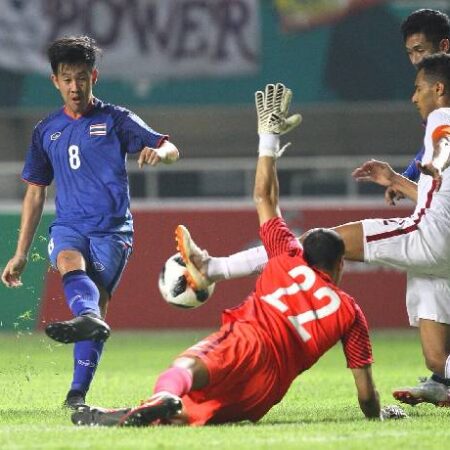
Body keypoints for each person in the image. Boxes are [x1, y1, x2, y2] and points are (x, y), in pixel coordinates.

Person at [71, 83, 405, 427]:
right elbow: (366, 393)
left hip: (246, 340)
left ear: (304, 251)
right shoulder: (350, 312)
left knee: (184, 370)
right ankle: (136, 415)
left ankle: (161, 397)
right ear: (339, 265)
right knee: (197, 413)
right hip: (267, 388)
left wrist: (268, 138)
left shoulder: (287, 254)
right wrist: (378, 412)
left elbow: (264, 196)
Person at [172, 54, 450, 408]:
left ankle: (212, 268)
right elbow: (439, 193)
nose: (414, 97)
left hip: (428, 236)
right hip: (443, 248)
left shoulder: (441, 117)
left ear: (438, 89)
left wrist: (436, 161)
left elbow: (444, 142)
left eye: (419, 88)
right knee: (437, 359)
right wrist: (398, 179)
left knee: (321, 242)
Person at [0, 36, 179, 409]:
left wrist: (160, 154)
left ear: (93, 76)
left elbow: (169, 146)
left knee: (98, 308)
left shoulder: (117, 119)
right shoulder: (45, 131)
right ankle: (85, 318)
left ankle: (76, 393)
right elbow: (35, 193)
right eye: (67, 78)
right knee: (68, 260)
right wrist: (20, 253)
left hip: (112, 232)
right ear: (55, 81)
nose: (74, 86)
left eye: (81, 77)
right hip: (69, 225)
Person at [385, 8, 450, 205]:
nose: (415, 61)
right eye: (410, 53)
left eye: (420, 51)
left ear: (445, 45)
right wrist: (406, 178)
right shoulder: (435, 86)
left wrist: (437, 163)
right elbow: (434, 143)